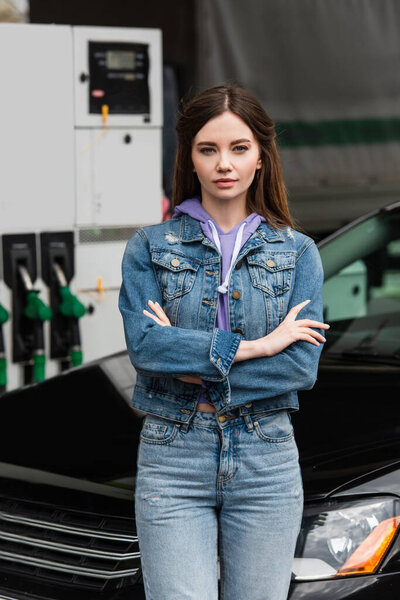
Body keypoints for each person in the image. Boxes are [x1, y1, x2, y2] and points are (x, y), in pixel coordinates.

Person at [118, 84, 329, 600]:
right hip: (174, 457)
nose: (224, 164)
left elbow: (299, 367)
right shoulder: (149, 246)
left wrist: (189, 358)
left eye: (238, 148)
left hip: (266, 459)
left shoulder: (298, 253)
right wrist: (257, 345)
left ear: (261, 156)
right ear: (190, 158)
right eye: (207, 149)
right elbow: (146, 349)